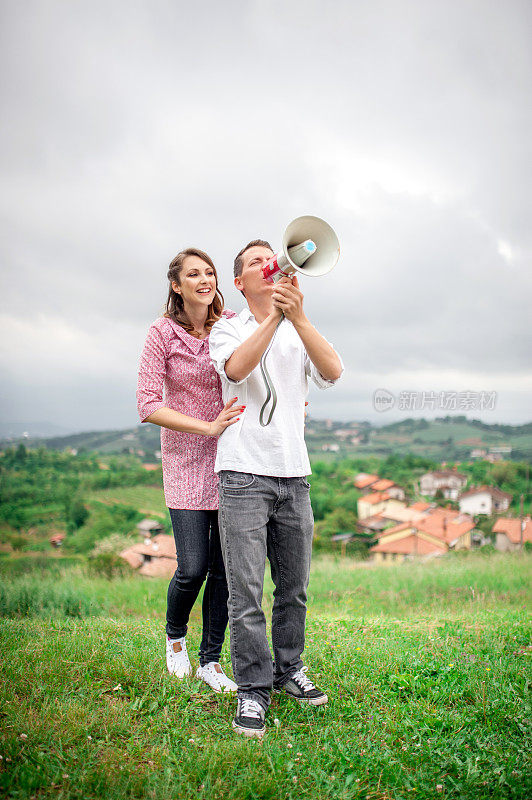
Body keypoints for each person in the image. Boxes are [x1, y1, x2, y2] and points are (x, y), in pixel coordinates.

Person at [209, 239, 343, 736]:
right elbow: (237, 369)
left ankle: (289, 671)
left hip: (295, 474)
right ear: (240, 283)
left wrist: (300, 318)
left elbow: (332, 372)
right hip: (243, 473)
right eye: (254, 264)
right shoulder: (227, 329)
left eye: (273, 259)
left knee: (294, 588)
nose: (269, 267)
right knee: (245, 591)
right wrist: (273, 318)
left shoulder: (298, 330)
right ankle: (252, 691)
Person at [136, 248, 244, 693]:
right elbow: (147, 404)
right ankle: (175, 638)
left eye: (210, 272)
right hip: (184, 460)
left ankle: (211, 661)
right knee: (193, 567)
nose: (205, 279)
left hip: (233, 456)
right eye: (194, 274)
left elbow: (253, 371)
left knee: (224, 568)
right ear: (177, 286)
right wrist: (207, 427)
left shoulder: (232, 323)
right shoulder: (161, 333)